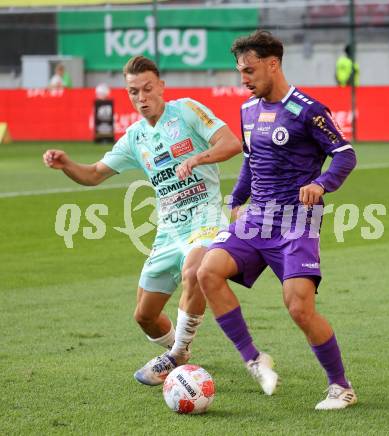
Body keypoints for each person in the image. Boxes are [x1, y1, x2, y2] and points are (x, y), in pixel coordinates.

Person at [43, 55, 241, 385]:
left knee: (196, 271)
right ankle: (180, 355)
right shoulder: (135, 138)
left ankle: (176, 354)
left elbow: (231, 143)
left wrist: (197, 158)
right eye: (133, 92)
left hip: (205, 217)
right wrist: (66, 164)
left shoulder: (187, 111)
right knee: (145, 316)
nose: (141, 97)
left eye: (147, 89)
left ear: (161, 86)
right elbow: (93, 175)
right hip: (168, 230)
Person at [197, 31, 358, 410]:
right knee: (207, 272)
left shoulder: (307, 110)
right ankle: (254, 359)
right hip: (256, 221)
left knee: (300, 308)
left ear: (273, 64)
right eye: (240, 72)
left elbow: (345, 154)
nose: (244, 79)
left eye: (249, 71)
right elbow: (251, 162)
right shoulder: (248, 111)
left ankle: (341, 387)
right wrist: (236, 200)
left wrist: (321, 183)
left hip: (296, 224)